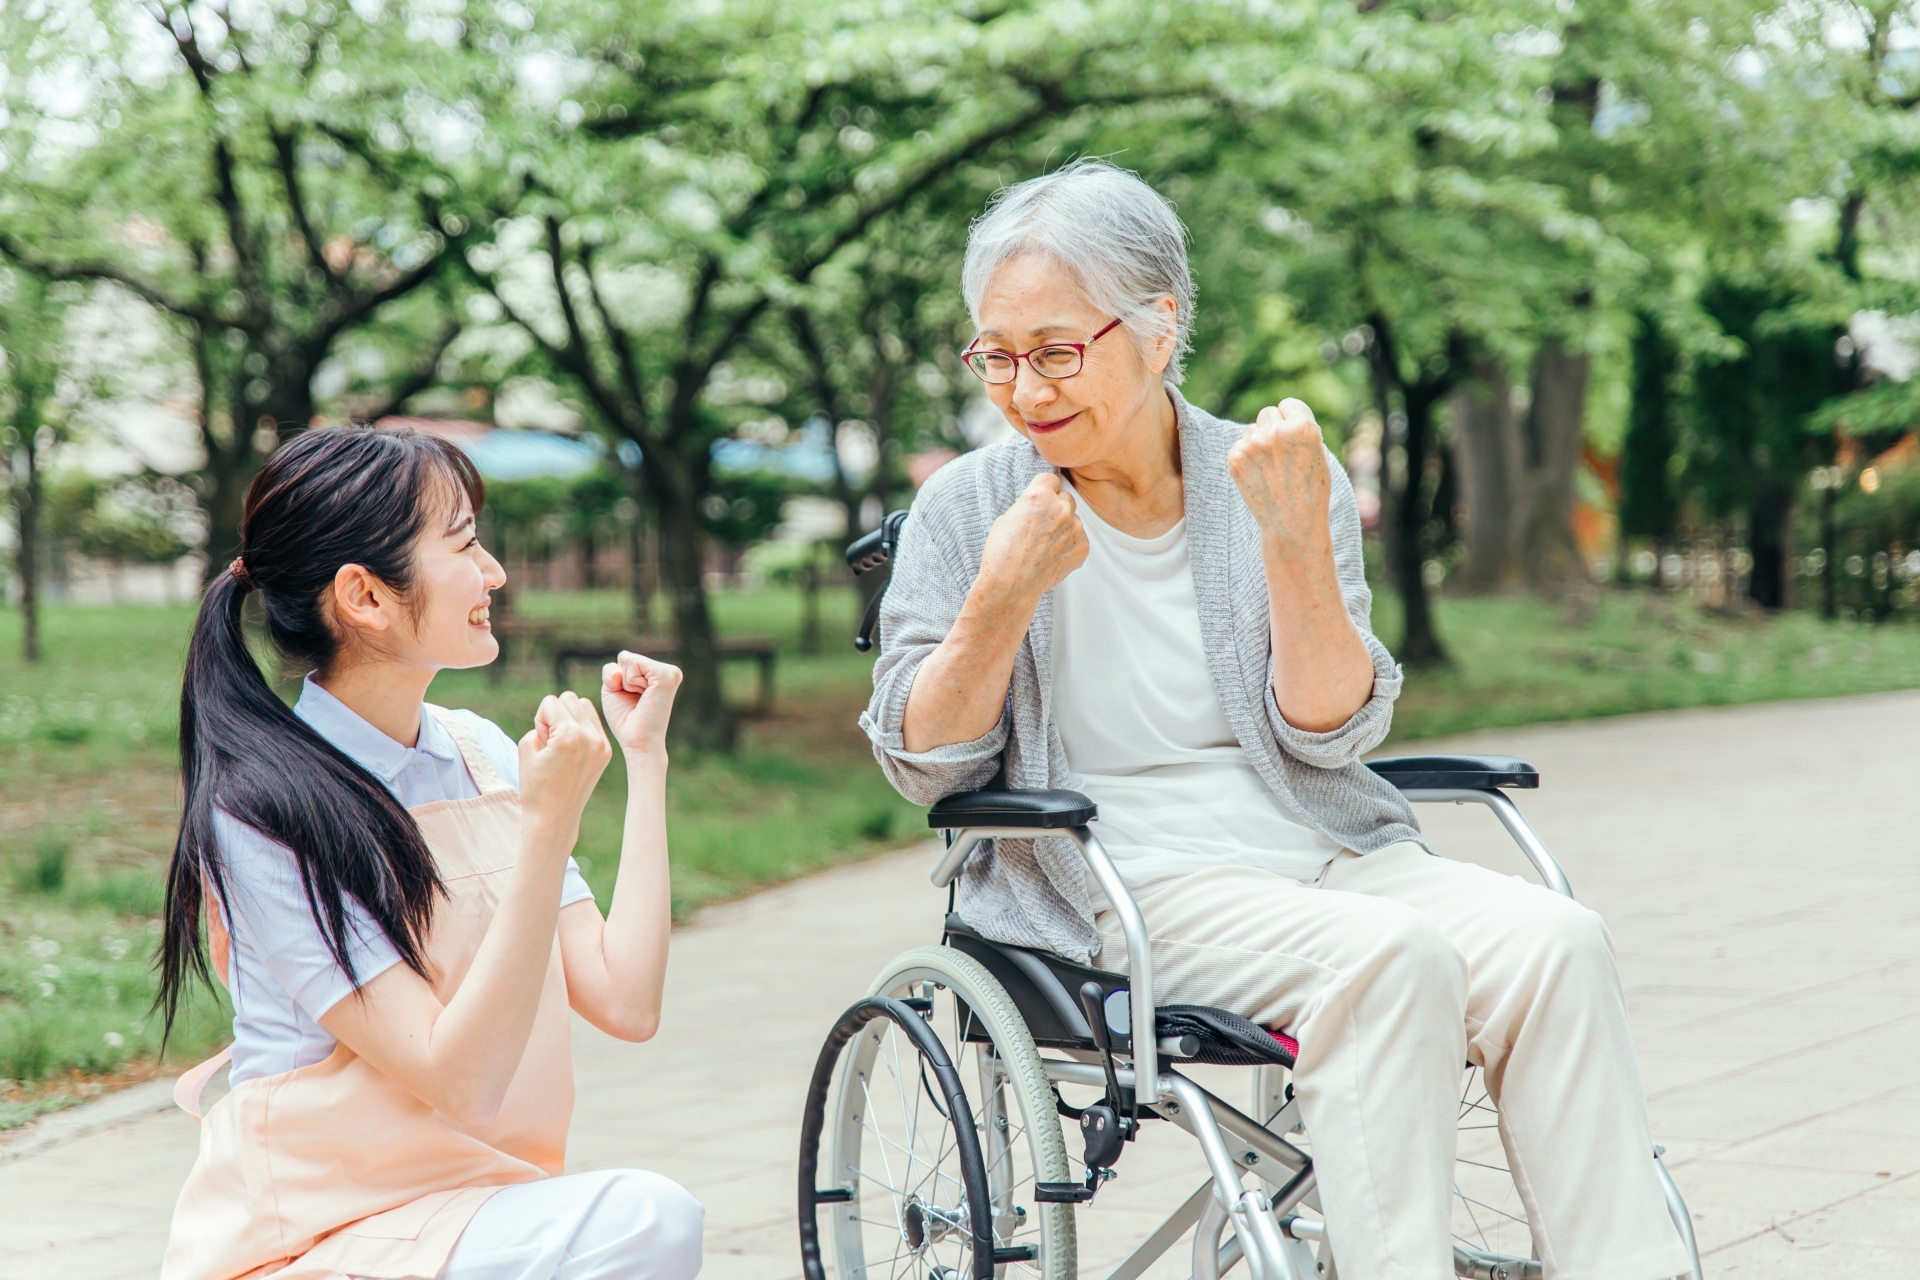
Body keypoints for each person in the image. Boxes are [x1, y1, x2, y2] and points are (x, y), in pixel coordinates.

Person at [860, 160, 1690, 1280]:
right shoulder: (971, 504)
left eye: (1056, 350)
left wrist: (1298, 544)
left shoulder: (1269, 474)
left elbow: (1327, 733)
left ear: (1159, 328)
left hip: (1319, 843)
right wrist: (1000, 596)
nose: (1026, 388)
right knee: (1389, 959)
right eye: (996, 355)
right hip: (1114, 881)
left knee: (1558, 941)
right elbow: (924, 762)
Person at [158, 427, 704, 1280]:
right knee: (645, 1218)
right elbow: (462, 1081)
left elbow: (626, 1000)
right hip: (318, 1236)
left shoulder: (478, 750)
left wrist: (647, 762)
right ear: (365, 597)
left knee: (649, 1220)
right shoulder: (265, 813)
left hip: (473, 1206)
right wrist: (546, 829)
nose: (494, 573)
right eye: (464, 544)